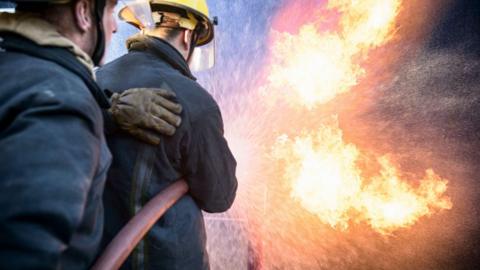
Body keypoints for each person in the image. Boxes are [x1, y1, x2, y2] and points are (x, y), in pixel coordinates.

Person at [0, 0, 182, 268]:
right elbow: (27, 252)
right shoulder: (63, 103)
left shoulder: (13, 69)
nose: (115, 27)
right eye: (109, 11)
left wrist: (110, 114)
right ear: (84, 12)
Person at [96, 1, 238, 269]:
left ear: (141, 26)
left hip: (97, 254)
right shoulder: (194, 102)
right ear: (188, 35)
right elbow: (220, 196)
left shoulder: (96, 81)